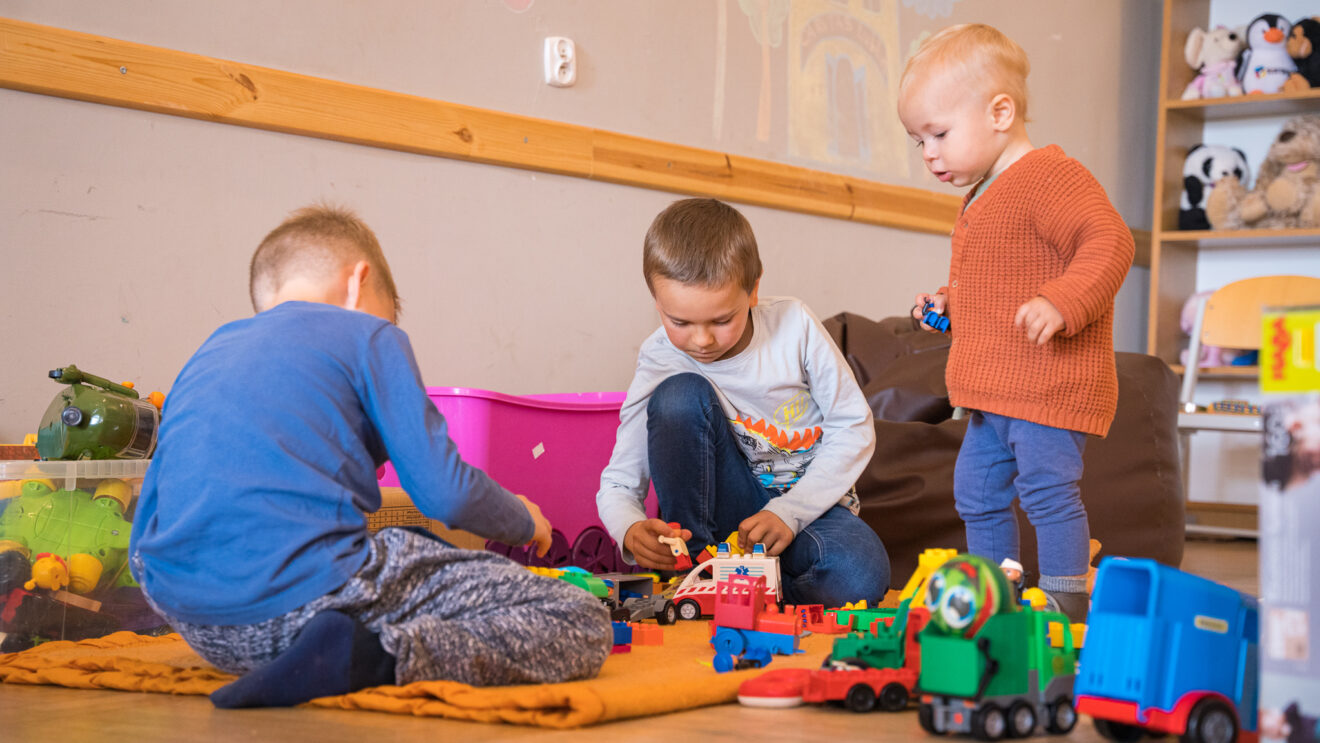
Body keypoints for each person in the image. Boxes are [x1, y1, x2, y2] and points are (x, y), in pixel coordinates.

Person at [130, 205, 611, 708]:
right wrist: (521, 517)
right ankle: (368, 658)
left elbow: (152, 505)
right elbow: (445, 493)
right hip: (302, 604)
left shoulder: (211, 350)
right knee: (578, 618)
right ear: (357, 283)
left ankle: (325, 652)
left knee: (411, 545)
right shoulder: (367, 334)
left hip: (194, 621)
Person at [898, 24, 1135, 622]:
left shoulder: (1050, 176)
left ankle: (1065, 594)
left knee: (1046, 489)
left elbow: (1110, 241)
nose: (929, 153)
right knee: (975, 492)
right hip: (993, 394)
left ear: (1000, 113)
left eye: (939, 134)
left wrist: (1063, 301)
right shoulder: (984, 193)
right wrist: (950, 305)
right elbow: (998, 284)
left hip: (1046, 388)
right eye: (918, 140)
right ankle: (994, 592)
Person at [595, 198, 890, 608]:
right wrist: (628, 528)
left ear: (753, 290)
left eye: (721, 320)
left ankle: (748, 588)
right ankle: (698, 573)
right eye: (679, 322)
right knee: (677, 396)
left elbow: (853, 426)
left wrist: (789, 512)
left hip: (805, 512)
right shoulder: (659, 358)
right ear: (657, 302)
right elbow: (619, 481)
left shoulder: (795, 326)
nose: (702, 340)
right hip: (719, 519)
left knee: (860, 575)